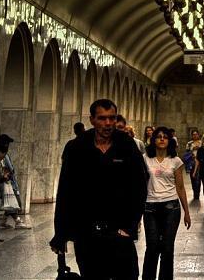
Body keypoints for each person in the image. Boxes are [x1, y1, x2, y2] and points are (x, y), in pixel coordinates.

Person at [51, 99, 148, 280]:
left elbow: (140, 187)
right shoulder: (77, 147)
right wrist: (60, 233)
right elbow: (65, 192)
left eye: (112, 118)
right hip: (86, 232)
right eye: (102, 118)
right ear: (92, 120)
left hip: (119, 231)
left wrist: (130, 226)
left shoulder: (127, 145)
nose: (108, 123)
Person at [142, 127, 191, 280]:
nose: (162, 139)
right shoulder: (145, 158)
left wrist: (187, 213)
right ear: (153, 140)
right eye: (158, 137)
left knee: (167, 248)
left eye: (165, 137)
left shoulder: (175, 161)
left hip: (171, 207)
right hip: (150, 206)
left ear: (169, 141)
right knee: (152, 247)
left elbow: (180, 187)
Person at [0, 133, 30, 229]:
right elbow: (9, 169)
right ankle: (18, 221)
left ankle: (2, 221)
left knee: (10, 202)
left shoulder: (3, 154)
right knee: (14, 202)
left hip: (9, 182)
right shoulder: (3, 155)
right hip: (8, 183)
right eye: (7, 143)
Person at [185, 130, 202, 199]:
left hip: (200, 163)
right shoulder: (189, 143)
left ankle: (197, 193)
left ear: (198, 135)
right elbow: (186, 153)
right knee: (193, 177)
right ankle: (194, 191)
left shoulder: (201, 143)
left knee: (198, 178)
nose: (195, 136)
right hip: (192, 162)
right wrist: (192, 149)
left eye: (196, 134)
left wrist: (199, 148)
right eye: (193, 134)